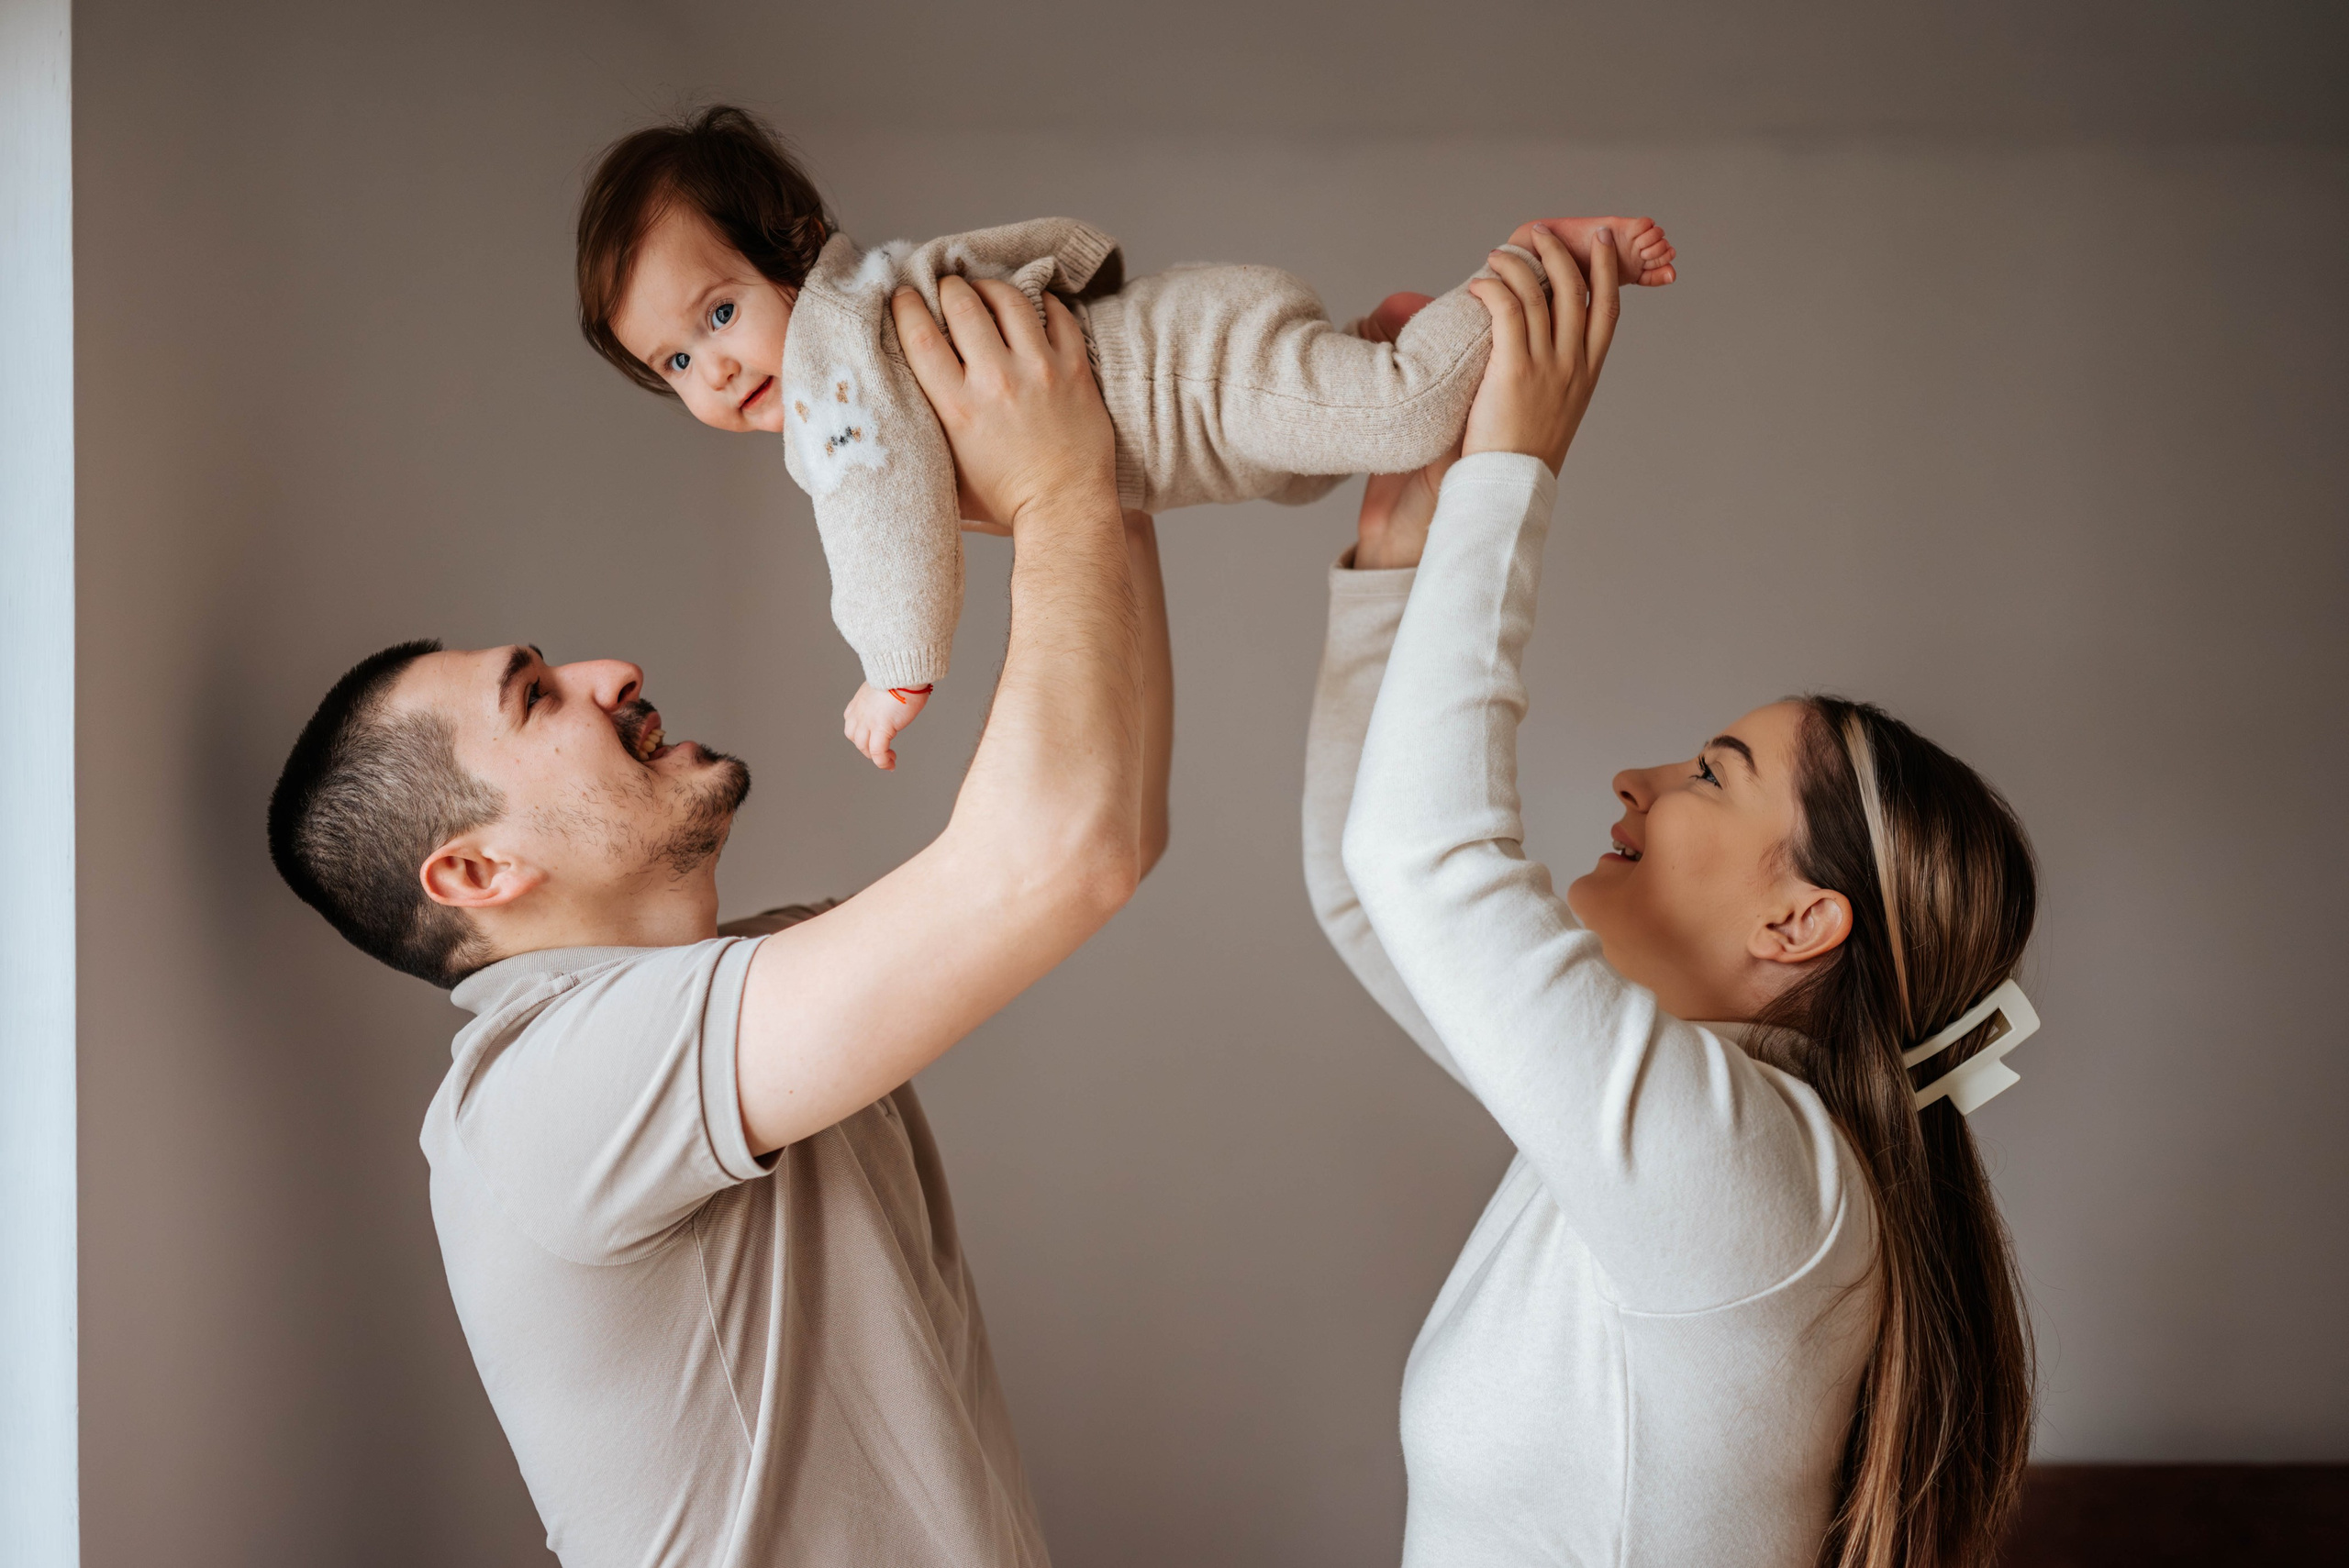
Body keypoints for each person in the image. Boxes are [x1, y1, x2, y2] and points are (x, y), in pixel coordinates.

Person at [266, 273, 1172, 1567]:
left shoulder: (750, 997)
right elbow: (1059, 851)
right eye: (535, 697)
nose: (608, 673)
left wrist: (1095, 468)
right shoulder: (537, 1100)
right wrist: (1056, 488)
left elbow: (1110, 819)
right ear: (473, 874)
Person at [1305, 228, 2039, 1567]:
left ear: (1802, 922)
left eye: (1713, 772)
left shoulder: (1760, 1174)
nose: (1637, 780)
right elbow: (1373, 898)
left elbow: (1419, 865)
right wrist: (1404, 555)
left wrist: (1516, 471)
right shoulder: (1682, 1137)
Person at [572, 105, 1676, 769]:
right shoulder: (841, 331)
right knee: (1310, 464)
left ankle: (1523, 271)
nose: (712, 368)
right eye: (673, 363)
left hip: (1182, 367)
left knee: (1403, 411)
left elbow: (879, 515)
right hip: (1189, 411)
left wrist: (894, 666)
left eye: (717, 312)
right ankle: (1376, 334)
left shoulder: (832, 360)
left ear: (792, 247)